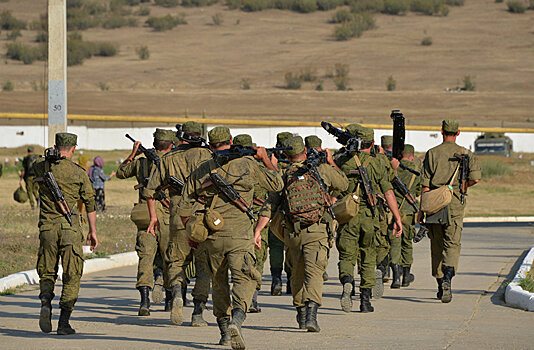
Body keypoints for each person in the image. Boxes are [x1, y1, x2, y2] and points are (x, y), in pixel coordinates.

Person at [178, 126, 283, 349]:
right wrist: (266, 160)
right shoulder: (247, 165)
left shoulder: (203, 168)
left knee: (219, 283)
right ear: (231, 140)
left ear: (210, 144)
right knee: (244, 278)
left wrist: (191, 232)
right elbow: (277, 185)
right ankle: (237, 320)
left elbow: (184, 204)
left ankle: (225, 332)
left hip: (212, 236)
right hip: (240, 236)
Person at [255, 136, 348, 332]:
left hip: (293, 234)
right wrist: (330, 162)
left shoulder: (283, 174)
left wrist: (258, 230)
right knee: (314, 273)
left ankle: (300, 312)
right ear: (305, 152)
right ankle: (311, 316)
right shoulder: (321, 170)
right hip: (317, 231)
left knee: (296, 273)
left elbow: (270, 205)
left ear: (286, 155)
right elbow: (344, 184)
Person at [146, 121, 213, 327]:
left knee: (176, 261)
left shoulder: (168, 158)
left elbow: (150, 190)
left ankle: (176, 294)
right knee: (204, 266)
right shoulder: (209, 157)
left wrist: (157, 210)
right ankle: (198, 314)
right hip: (203, 216)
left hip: (177, 215)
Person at [33, 133, 98, 335]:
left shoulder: (42, 166)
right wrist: (93, 231)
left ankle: (45, 301)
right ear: (73, 149)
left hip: (47, 229)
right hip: (70, 230)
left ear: (55, 146)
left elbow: (34, 164)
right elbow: (90, 203)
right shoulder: (79, 173)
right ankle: (63, 322)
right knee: (72, 275)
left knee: (47, 270)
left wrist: (48, 159)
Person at [335, 124, 403, 313]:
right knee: (368, 256)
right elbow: (389, 192)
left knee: (347, 256)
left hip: (348, 216)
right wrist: (396, 218)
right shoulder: (378, 163)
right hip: (369, 217)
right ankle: (365, 300)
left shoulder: (343, 161)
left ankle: (347, 282)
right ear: (372, 143)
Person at [417, 119, 481, 303]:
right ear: (458, 133)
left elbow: (425, 184)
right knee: (452, 243)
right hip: (454, 203)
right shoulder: (466, 153)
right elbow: (475, 179)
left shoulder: (432, 153)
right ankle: (448, 278)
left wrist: (422, 210)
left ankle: (439, 284)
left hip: (435, 202)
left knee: (436, 243)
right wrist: (462, 187)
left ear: (441, 131)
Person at [116, 129, 175, 316]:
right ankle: (169, 300)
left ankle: (145, 302)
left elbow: (120, 172)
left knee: (146, 258)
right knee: (170, 258)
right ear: (171, 145)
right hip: (167, 215)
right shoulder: (173, 162)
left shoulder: (141, 162)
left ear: (154, 142)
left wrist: (134, 153)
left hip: (146, 216)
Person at [233, 133, 267, 313]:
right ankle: (252, 298)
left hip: (233, 222)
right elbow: (274, 187)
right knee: (257, 260)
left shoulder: (226, 168)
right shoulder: (258, 169)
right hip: (258, 220)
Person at [389, 144, 421, 288]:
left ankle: (396, 277)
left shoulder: (394, 168)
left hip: (394, 211)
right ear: (412, 157)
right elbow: (419, 190)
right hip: (409, 213)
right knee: (407, 244)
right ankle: (406, 276)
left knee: (395, 243)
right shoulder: (415, 171)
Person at [269, 131, 293, 295]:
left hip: (275, 210)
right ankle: (291, 281)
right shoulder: (296, 160)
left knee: (276, 246)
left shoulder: (271, 161)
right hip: (293, 210)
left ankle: (276, 279)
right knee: (292, 247)